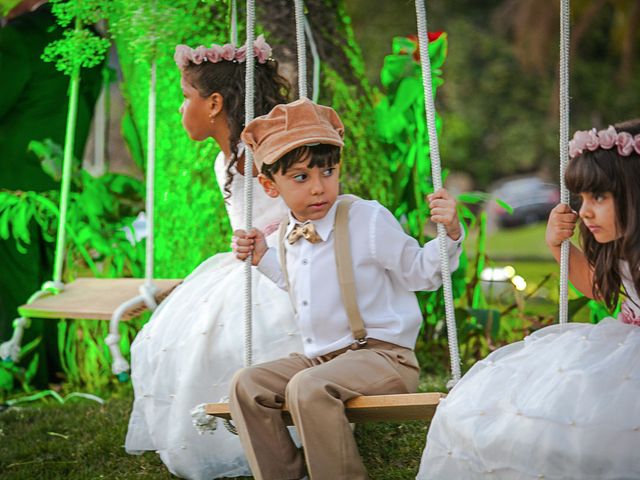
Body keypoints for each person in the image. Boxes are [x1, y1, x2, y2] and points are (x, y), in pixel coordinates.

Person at [230, 97, 464, 480]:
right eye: (301, 178)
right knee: (247, 383)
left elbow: (421, 273)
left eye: (328, 171)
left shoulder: (366, 219)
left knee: (307, 387)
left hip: (383, 359)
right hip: (322, 362)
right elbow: (300, 287)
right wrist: (262, 257)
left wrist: (450, 233)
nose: (319, 188)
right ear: (270, 186)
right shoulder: (288, 235)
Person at [417, 120, 640, 479]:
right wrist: (558, 246)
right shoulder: (622, 249)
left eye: (598, 197)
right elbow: (599, 289)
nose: (584, 211)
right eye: (582, 198)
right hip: (623, 345)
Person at [124, 37, 302, 480]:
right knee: (168, 337)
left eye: (186, 98)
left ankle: (281, 429)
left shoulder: (265, 155)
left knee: (235, 334)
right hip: (243, 259)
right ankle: (222, 437)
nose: (181, 109)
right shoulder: (224, 162)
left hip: (285, 261)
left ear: (215, 103)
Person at [0, 0, 102, 386]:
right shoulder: (88, 37)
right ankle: (42, 368)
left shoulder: (20, 37)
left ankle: (17, 372)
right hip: (58, 181)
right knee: (45, 279)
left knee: (13, 284)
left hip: (10, 187)